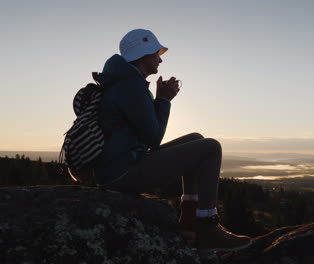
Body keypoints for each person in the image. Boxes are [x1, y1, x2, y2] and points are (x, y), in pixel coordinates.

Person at [94, 29, 252, 252]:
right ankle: (207, 229)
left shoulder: (125, 82)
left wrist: (159, 100)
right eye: (156, 53)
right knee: (211, 148)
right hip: (122, 174)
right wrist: (164, 100)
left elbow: (145, 134)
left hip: (119, 165)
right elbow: (154, 138)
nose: (160, 58)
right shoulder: (130, 87)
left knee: (196, 139)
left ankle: (189, 216)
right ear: (142, 55)